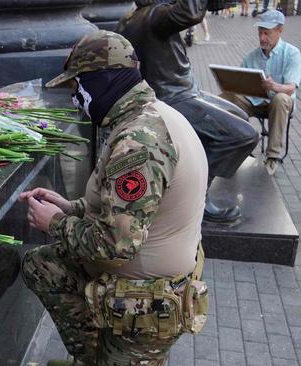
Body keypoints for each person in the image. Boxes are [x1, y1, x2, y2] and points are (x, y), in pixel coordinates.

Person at [21, 30, 209, 366]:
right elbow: (134, 209)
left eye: (77, 87)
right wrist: (72, 207)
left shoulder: (139, 142)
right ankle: (98, 355)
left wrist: (56, 223)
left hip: (145, 303)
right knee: (43, 265)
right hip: (143, 282)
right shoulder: (147, 116)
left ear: (102, 82)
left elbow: (115, 245)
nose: (75, 98)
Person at [116, 0, 259, 223]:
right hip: (174, 98)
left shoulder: (135, 17)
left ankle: (198, 165)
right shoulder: (154, 17)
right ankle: (196, 198)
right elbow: (190, 12)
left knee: (239, 115)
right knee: (243, 136)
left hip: (185, 92)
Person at [220, 10, 301, 175]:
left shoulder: (292, 53)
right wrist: (230, 83)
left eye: (267, 33)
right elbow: (240, 81)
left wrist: (274, 86)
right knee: (227, 98)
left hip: (280, 103)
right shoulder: (252, 57)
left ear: (280, 30)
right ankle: (236, 147)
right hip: (256, 101)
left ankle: (272, 156)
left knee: (280, 99)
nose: (262, 38)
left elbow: (291, 87)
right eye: (260, 33)